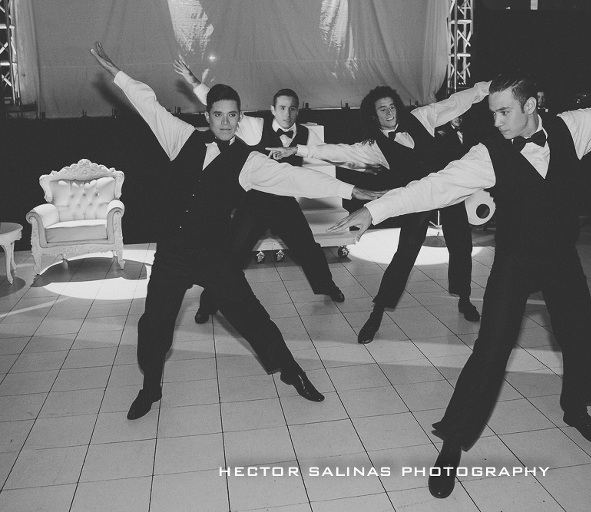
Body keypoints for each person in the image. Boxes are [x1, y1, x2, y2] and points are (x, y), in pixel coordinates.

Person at [329, 53, 591, 498]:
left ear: (530, 104)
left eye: (504, 112)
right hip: (515, 260)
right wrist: (374, 211)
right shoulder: (487, 154)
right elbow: (433, 187)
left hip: (561, 256)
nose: (497, 121)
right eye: (492, 113)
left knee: (580, 337)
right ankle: (453, 440)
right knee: (490, 350)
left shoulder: (573, 128)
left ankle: (576, 409)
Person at [89, 43, 378, 420]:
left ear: (239, 117)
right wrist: (117, 73)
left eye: (231, 115)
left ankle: (292, 372)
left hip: (213, 256)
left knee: (253, 318)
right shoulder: (182, 137)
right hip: (173, 253)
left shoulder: (248, 161)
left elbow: (297, 178)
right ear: (207, 115)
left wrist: (351, 191)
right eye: (218, 114)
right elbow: (148, 104)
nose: (225, 122)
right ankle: (151, 386)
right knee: (154, 324)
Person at [269, 82, 491, 343]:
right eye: (382, 109)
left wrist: (489, 87)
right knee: (405, 253)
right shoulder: (373, 147)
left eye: (392, 106)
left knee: (461, 244)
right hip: (414, 199)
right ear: (374, 116)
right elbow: (338, 151)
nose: (389, 113)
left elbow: (457, 102)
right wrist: (298, 149)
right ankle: (377, 312)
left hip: (445, 190)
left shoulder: (422, 117)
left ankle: (464, 299)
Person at [172, 61, 346, 325]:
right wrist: (194, 82)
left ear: (298, 110)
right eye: (282, 108)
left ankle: (327, 286)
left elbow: (329, 156)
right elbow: (220, 104)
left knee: (309, 248)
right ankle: (208, 304)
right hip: (254, 204)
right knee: (230, 256)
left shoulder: (307, 135)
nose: (287, 113)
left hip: (284, 204)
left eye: (292, 108)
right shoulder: (255, 126)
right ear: (273, 109)